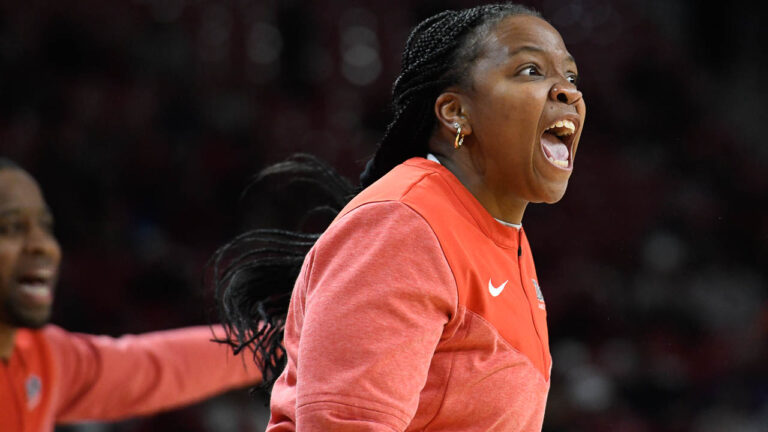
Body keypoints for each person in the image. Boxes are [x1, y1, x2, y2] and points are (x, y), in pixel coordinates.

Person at [213, 3, 586, 431]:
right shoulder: (405, 223)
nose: (567, 91)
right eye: (530, 71)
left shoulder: (500, 237)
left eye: (571, 76)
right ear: (455, 113)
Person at [0, 158, 263, 432]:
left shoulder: (41, 355)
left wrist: (272, 341)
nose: (43, 246)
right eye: (10, 228)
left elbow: (152, 367)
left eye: (44, 226)